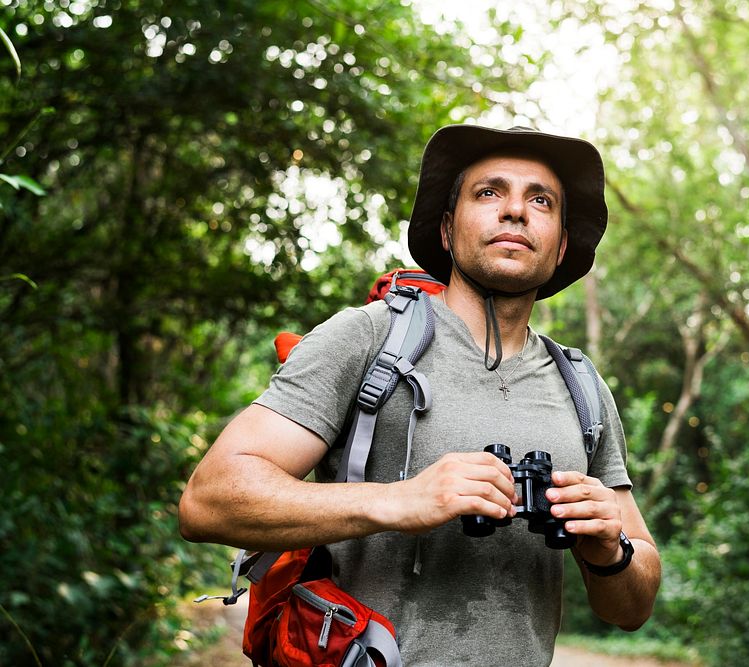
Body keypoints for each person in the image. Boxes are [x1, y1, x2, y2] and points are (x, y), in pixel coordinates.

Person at [179, 125, 661, 665]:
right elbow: (208, 501)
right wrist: (403, 499)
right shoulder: (366, 338)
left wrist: (610, 551)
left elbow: (631, 609)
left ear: (561, 246)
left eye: (541, 201)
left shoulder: (582, 386)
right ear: (448, 232)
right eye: (488, 192)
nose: (516, 212)